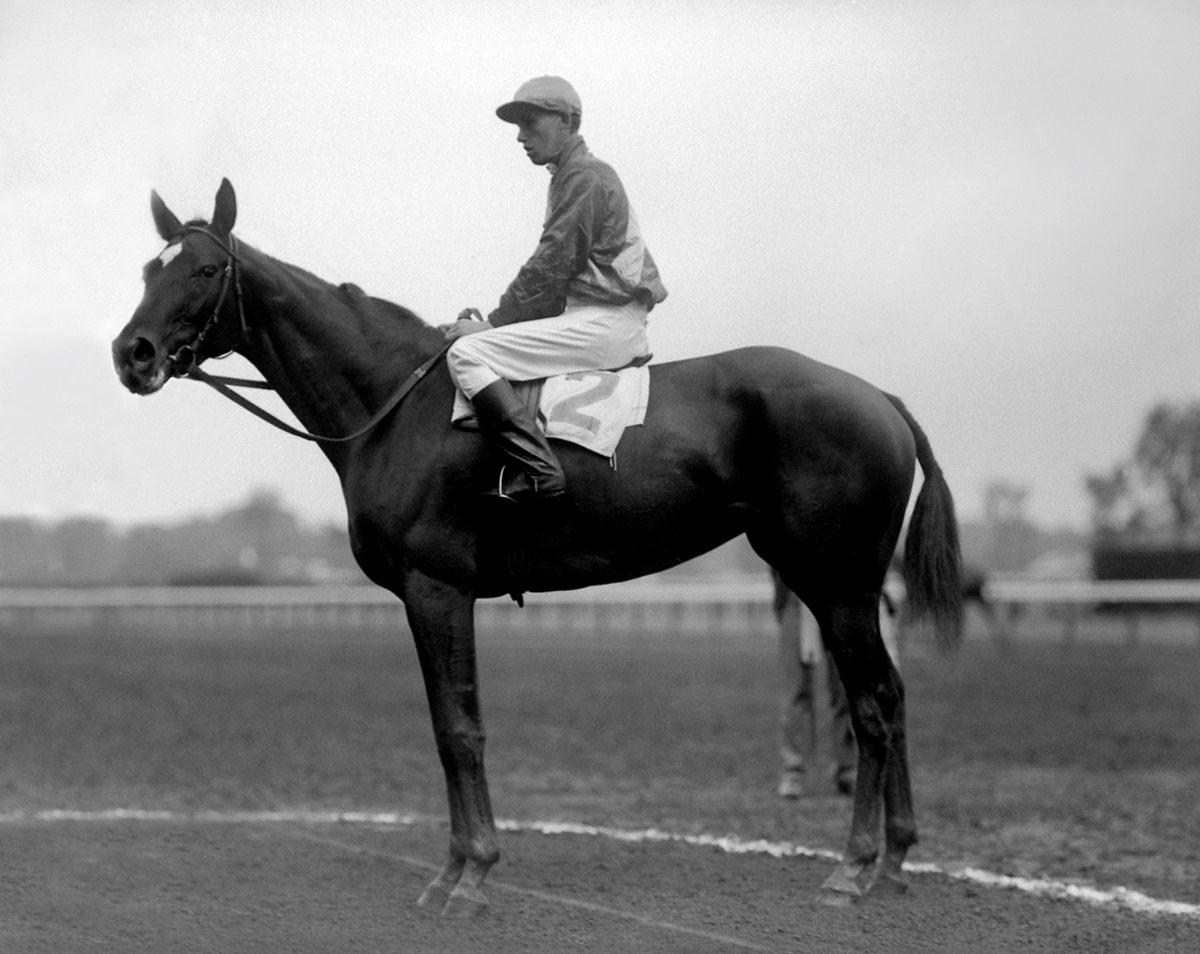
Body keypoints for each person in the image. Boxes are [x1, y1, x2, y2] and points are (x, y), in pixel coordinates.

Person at [443, 76, 667, 503]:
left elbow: (552, 263)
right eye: (518, 127)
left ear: (567, 121)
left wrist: (492, 325)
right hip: (594, 317)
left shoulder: (585, 176)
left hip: (606, 322)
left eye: (531, 123)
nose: (521, 137)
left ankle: (540, 472)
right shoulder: (573, 174)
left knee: (467, 353)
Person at [772, 568, 902, 798]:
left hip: (842, 592)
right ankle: (793, 770)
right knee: (796, 689)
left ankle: (847, 768)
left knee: (846, 688)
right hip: (796, 593)